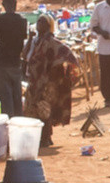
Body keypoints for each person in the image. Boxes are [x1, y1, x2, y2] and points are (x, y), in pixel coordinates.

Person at [23, 15, 79, 147]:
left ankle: (46, 138)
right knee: (34, 108)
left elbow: (66, 52)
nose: (39, 24)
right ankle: (43, 136)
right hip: (34, 80)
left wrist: (54, 71)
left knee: (44, 108)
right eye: (38, 21)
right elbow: (25, 56)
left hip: (47, 82)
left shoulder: (51, 41)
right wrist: (30, 39)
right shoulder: (35, 41)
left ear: (48, 26)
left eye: (42, 22)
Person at [0, 0, 27, 117]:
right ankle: (17, 125)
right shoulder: (22, 21)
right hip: (15, 63)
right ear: (15, 4)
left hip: (1, 63)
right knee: (17, 97)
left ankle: (7, 128)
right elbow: (22, 40)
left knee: (5, 99)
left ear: (3, 5)